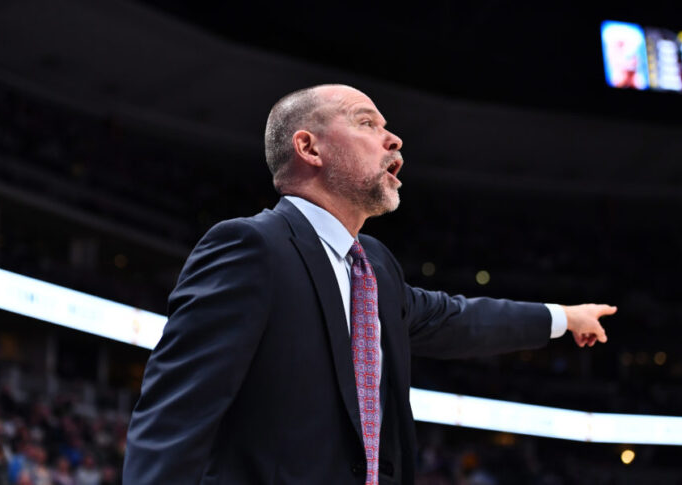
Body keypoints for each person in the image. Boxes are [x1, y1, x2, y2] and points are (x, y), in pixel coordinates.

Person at [123, 84, 616, 484]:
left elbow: (455, 319)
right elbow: (175, 416)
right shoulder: (250, 247)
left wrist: (561, 317)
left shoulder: (376, 265)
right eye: (367, 122)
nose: (393, 138)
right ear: (308, 147)